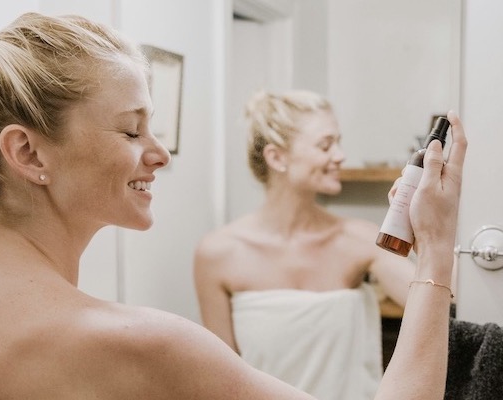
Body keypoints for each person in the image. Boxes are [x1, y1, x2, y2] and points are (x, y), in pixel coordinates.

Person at [0, 5, 466, 400]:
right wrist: (437, 248)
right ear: (27, 152)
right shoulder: (134, 342)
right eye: (131, 130)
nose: (159, 154)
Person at [193, 90, 450, 399]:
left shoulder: (361, 240)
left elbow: (437, 306)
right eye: (325, 145)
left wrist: (430, 234)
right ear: (276, 157)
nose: (340, 155)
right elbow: (223, 378)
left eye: (338, 143)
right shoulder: (218, 254)